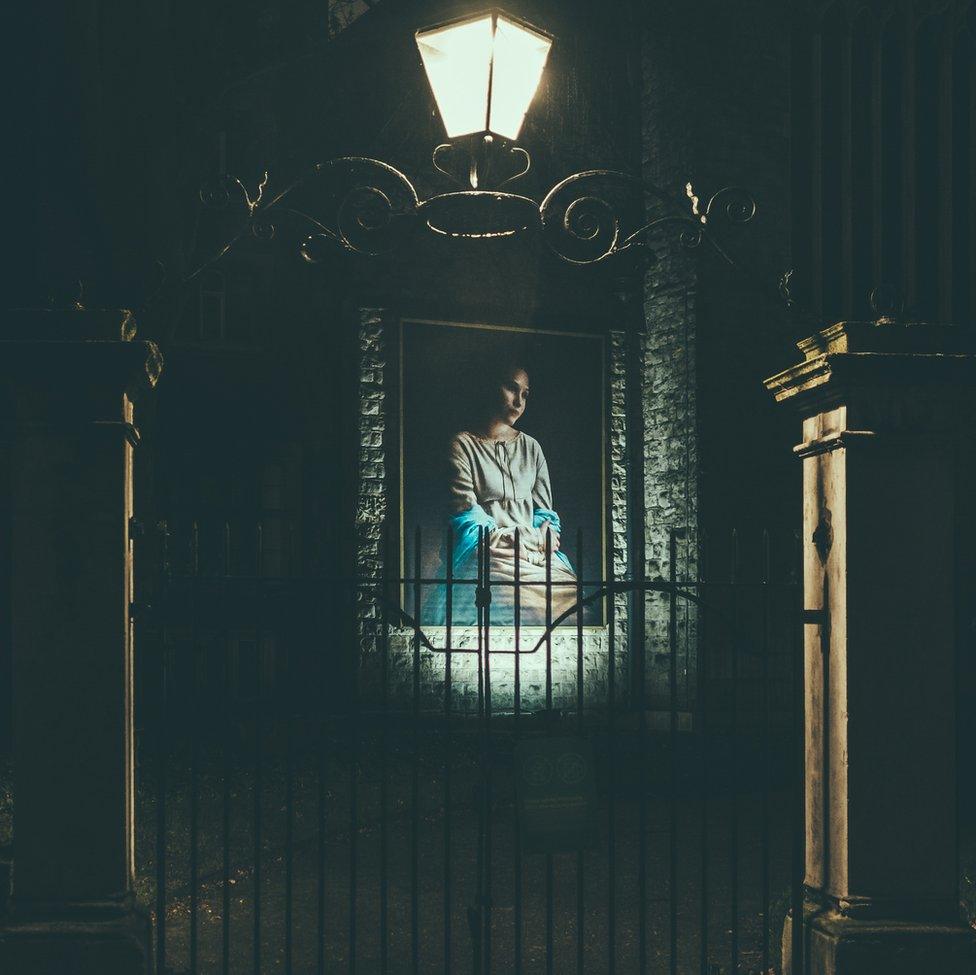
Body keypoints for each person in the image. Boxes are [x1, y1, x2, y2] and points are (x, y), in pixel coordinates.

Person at [425, 362, 578, 626]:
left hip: (536, 551)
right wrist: (512, 539)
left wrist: (545, 533)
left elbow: (544, 513)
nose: (519, 401)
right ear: (490, 386)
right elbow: (466, 517)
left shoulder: (532, 448)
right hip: (488, 551)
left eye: (525, 394)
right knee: (519, 606)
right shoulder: (462, 445)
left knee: (576, 607)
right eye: (511, 388)